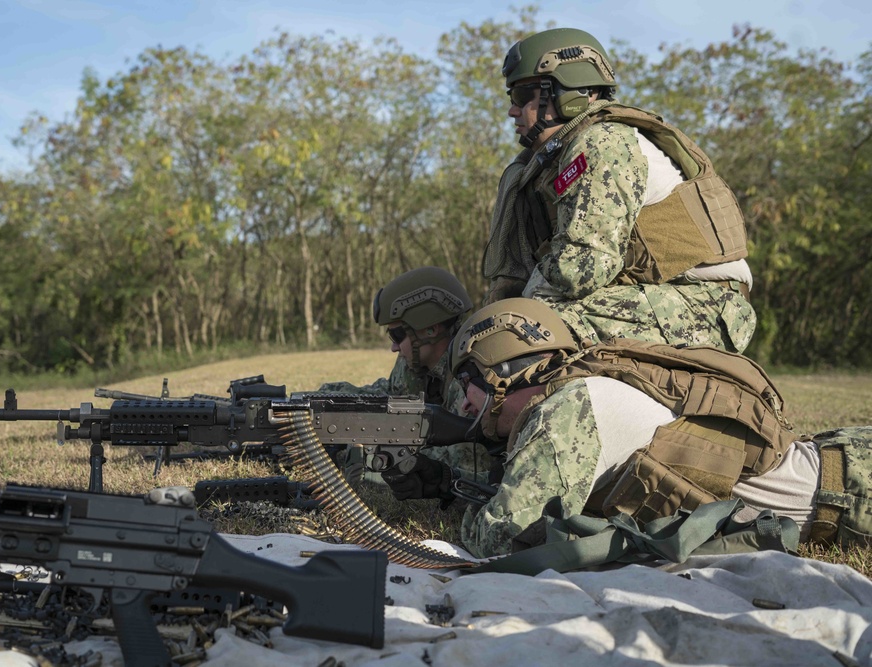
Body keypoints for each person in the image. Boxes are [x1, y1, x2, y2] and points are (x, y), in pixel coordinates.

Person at [383, 297, 872, 559]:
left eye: (468, 379)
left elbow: (498, 537)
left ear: (507, 371)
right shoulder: (578, 392)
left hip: (848, 493)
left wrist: (456, 500)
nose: (462, 398)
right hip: (839, 467)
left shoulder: (566, 411)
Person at [482, 27, 756, 353]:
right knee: (498, 330)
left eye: (523, 96)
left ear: (572, 93)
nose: (513, 109)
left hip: (706, 305)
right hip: (656, 298)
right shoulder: (546, 163)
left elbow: (581, 270)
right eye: (511, 97)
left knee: (527, 330)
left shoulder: (603, 141)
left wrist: (515, 311)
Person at [315, 266, 492, 484]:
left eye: (397, 335)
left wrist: (367, 459)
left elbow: (460, 465)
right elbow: (387, 397)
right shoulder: (415, 361)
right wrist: (324, 401)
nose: (394, 347)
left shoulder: (469, 377)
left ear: (431, 330)